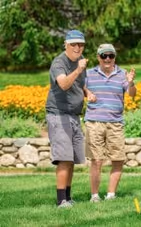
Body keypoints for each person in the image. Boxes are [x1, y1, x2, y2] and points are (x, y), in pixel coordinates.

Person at [84, 43, 136, 203]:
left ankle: (111, 195)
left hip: (115, 123)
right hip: (94, 122)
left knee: (118, 159)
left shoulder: (123, 74)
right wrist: (87, 93)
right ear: (98, 57)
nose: (107, 59)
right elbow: (78, 88)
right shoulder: (89, 74)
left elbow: (132, 94)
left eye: (110, 56)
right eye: (104, 56)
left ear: (114, 57)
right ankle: (94, 196)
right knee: (96, 160)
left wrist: (131, 82)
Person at [45, 30, 88, 208]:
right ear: (66, 44)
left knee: (71, 159)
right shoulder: (59, 62)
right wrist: (78, 69)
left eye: (81, 44)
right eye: (74, 44)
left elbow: (80, 84)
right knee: (64, 158)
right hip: (58, 114)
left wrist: (88, 93)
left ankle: (68, 198)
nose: (78, 47)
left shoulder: (81, 59)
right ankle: (61, 200)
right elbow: (63, 84)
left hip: (74, 115)